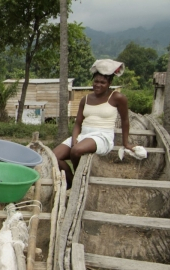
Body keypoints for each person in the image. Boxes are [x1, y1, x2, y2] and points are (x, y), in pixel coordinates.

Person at [53, 59, 132, 188]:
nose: (98, 85)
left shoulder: (117, 97)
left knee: (76, 151)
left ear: (109, 83)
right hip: (83, 135)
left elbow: (125, 120)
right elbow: (78, 123)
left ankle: (80, 179)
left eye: (103, 82)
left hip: (102, 136)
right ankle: (72, 180)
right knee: (54, 157)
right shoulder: (86, 99)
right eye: (96, 81)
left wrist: (126, 143)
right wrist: (74, 139)